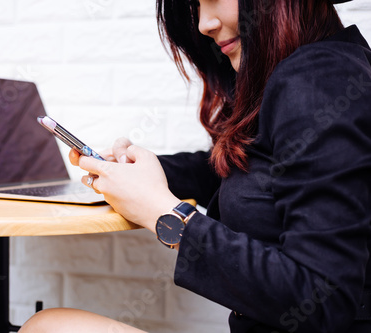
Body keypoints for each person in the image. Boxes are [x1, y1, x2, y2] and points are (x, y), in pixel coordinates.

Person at [19, 0, 371, 332]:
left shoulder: (318, 80)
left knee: (47, 325)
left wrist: (165, 215)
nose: (204, 23)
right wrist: (141, 173)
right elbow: (256, 174)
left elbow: (326, 300)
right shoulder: (328, 69)